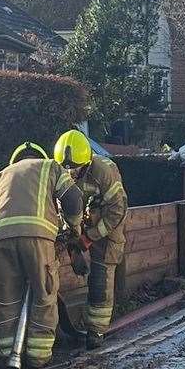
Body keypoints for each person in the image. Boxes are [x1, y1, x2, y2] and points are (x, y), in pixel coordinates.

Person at [0, 141, 86, 369]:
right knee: (44, 293)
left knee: (8, 297)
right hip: (37, 236)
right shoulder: (50, 167)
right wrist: (74, 226)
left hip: (1, 237)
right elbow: (73, 199)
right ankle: (37, 357)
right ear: (40, 156)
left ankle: (7, 353)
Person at [53, 130, 130, 349]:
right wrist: (73, 247)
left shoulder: (103, 172)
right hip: (80, 220)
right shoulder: (59, 171)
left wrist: (91, 237)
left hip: (107, 220)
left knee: (101, 275)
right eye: (65, 167)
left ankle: (96, 331)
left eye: (75, 167)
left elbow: (117, 210)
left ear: (86, 161)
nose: (70, 172)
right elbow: (62, 208)